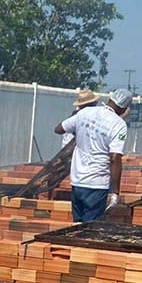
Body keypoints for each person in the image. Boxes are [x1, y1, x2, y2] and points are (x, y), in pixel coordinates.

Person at [54, 88, 132, 223]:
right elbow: (114, 158)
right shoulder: (119, 125)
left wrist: (80, 131)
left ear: (110, 98)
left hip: (77, 180)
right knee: (90, 229)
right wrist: (115, 192)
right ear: (124, 108)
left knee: (76, 226)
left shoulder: (85, 112)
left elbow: (59, 129)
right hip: (97, 184)